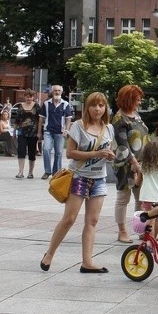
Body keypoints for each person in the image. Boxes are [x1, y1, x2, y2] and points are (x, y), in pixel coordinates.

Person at [40, 92, 115, 273]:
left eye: (101, 105)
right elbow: (70, 153)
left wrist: (110, 156)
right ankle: (49, 253)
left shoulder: (109, 128)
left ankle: (87, 262)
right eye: (94, 105)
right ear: (87, 107)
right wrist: (96, 154)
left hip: (99, 178)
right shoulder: (78, 126)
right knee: (69, 219)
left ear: (105, 108)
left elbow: (109, 152)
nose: (97, 109)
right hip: (79, 176)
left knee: (93, 221)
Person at [111, 85, 149, 243]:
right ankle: (122, 231)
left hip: (140, 164)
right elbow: (123, 145)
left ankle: (140, 230)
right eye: (137, 99)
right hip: (125, 166)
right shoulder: (119, 118)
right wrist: (134, 162)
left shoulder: (136, 115)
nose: (139, 102)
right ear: (128, 99)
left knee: (141, 199)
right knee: (123, 198)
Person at [38, 85, 73, 180]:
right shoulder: (46, 104)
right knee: (46, 150)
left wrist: (67, 130)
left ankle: (56, 172)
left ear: (61, 92)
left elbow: (68, 119)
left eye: (58, 91)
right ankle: (47, 171)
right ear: (52, 92)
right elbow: (41, 118)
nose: (57, 92)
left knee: (59, 152)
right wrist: (39, 132)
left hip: (60, 132)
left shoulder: (65, 104)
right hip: (48, 130)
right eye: (55, 91)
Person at [137, 138, 158, 241]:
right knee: (157, 218)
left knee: (149, 218)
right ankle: (154, 238)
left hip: (147, 196)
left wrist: (135, 181)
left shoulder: (142, 166)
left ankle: (150, 240)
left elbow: (138, 181)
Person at [15, 89, 40, 179]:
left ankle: (30, 172)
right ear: (24, 97)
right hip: (22, 132)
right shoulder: (20, 106)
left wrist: (39, 132)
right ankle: (20, 171)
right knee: (21, 151)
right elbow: (17, 120)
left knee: (32, 152)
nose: (29, 98)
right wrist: (14, 131)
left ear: (33, 97)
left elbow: (39, 119)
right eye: (27, 96)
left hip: (33, 133)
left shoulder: (37, 106)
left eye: (30, 97)